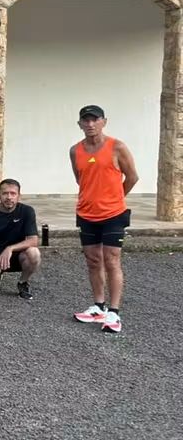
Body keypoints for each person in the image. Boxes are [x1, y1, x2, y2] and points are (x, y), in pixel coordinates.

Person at [70, 105, 138, 334]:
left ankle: (114, 312)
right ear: (79, 124)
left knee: (112, 260)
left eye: (94, 120)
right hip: (86, 213)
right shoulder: (75, 150)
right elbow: (82, 179)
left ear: (104, 122)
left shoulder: (116, 147)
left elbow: (133, 177)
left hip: (113, 214)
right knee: (93, 260)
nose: (90, 124)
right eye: (85, 120)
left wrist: (115, 198)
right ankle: (98, 306)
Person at [0, 179, 41, 300]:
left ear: (19, 196)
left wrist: (10, 248)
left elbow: (33, 240)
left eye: (13, 193)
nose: (9, 197)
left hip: (18, 256)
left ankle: (23, 283)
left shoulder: (27, 211)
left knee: (34, 253)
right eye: (5, 193)